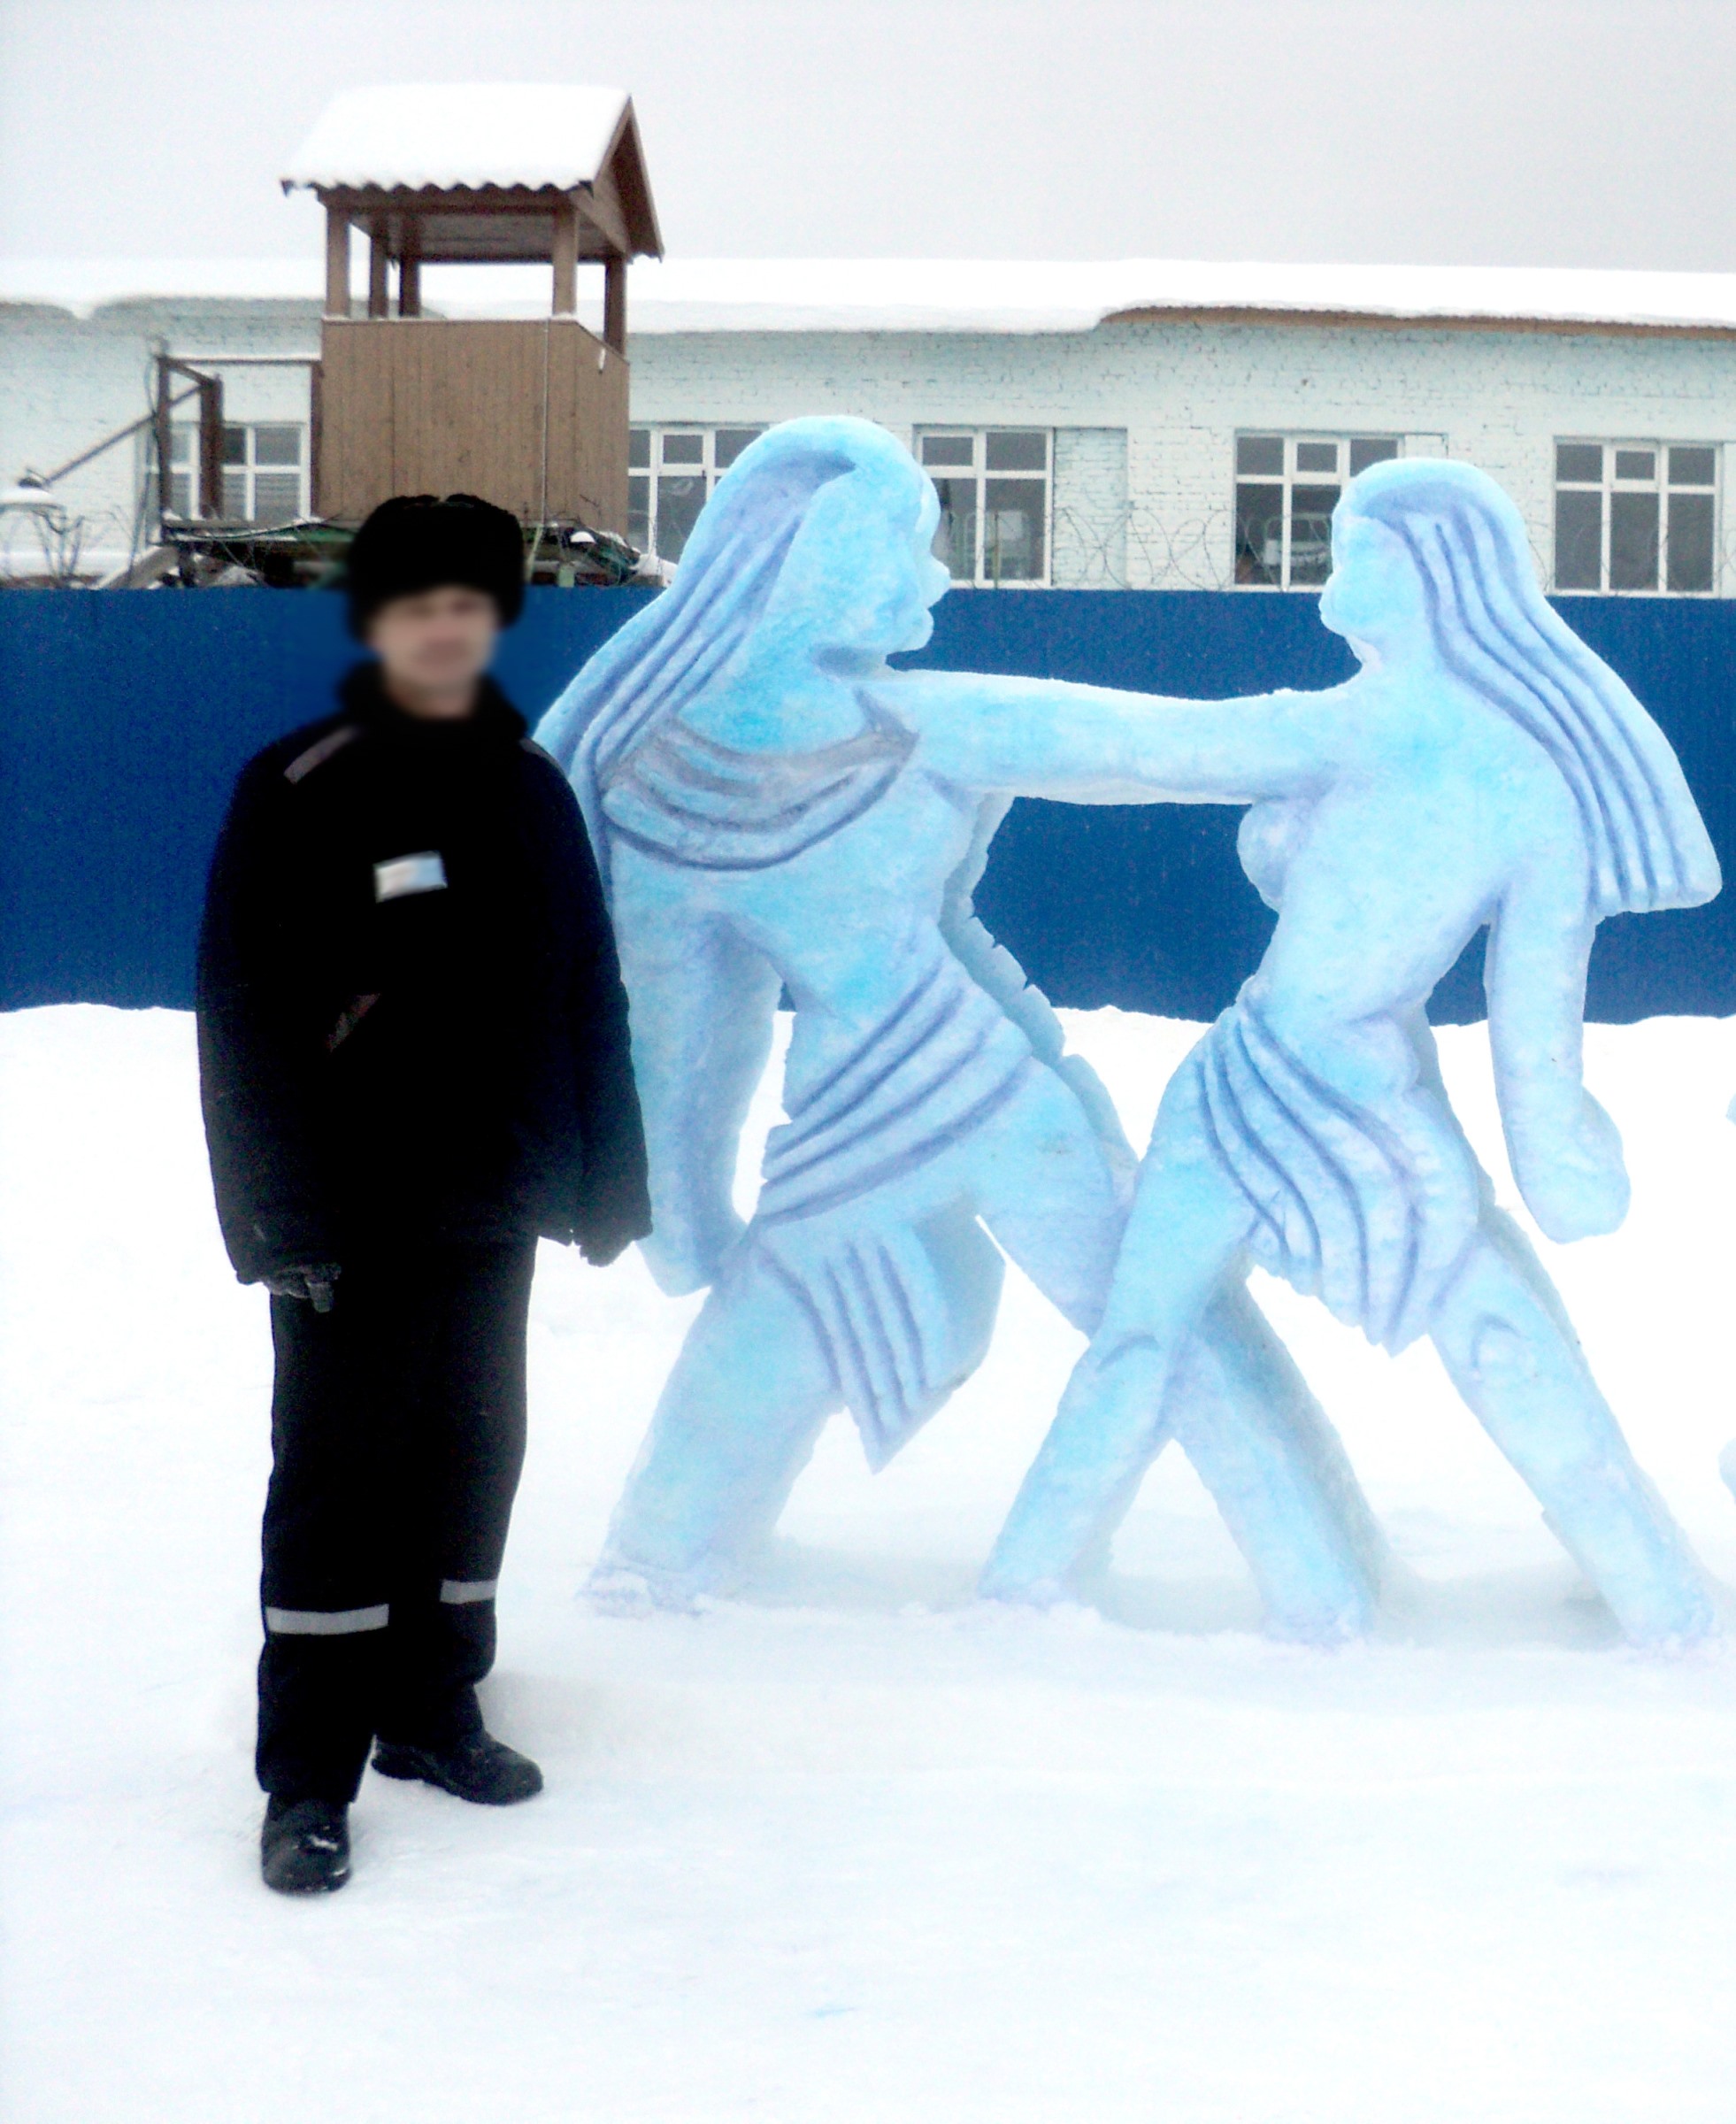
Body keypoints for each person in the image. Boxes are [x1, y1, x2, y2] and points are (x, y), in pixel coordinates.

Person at [536, 418, 1385, 1638]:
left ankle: (1321, 1582)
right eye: (908, 547)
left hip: (928, 1097)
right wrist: (1361, 730)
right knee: (1148, 1314)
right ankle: (1318, 1581)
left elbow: (682, 1035)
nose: (932, 578)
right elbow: (676, 1040)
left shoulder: (698, 762)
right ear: (819, 559)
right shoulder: (852, 735)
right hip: (935, 1101)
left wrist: (678, 1195)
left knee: (1136, 1313)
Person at [983, 458, 1720, 1647]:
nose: (1335, 566)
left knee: (1167, 1334)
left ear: (1429, 578)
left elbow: (1150, 748)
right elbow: (1534, 1042)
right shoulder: (1532, 787)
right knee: (1473, 1338)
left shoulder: (1369, 731)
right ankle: (1656, 1597)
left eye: (1359, 548)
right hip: (1279, 1085)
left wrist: (929, 725)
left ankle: (1021, 1583)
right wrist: (1558, 1158)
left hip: (1300, 1088)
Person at [197, 494, 651, 1896]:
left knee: (469, 1454)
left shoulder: (527, 785)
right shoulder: (304, 782)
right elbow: (241, 1016)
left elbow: (584, 985)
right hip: (346, 1206)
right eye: (416, 608)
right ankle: (307, 1779)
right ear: (377, 620)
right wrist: (276, 1219)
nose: (443, 629)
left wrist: (604, 1172)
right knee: (339, 1482)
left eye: (466, 606)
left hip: (489, 1196)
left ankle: (434, 1710)